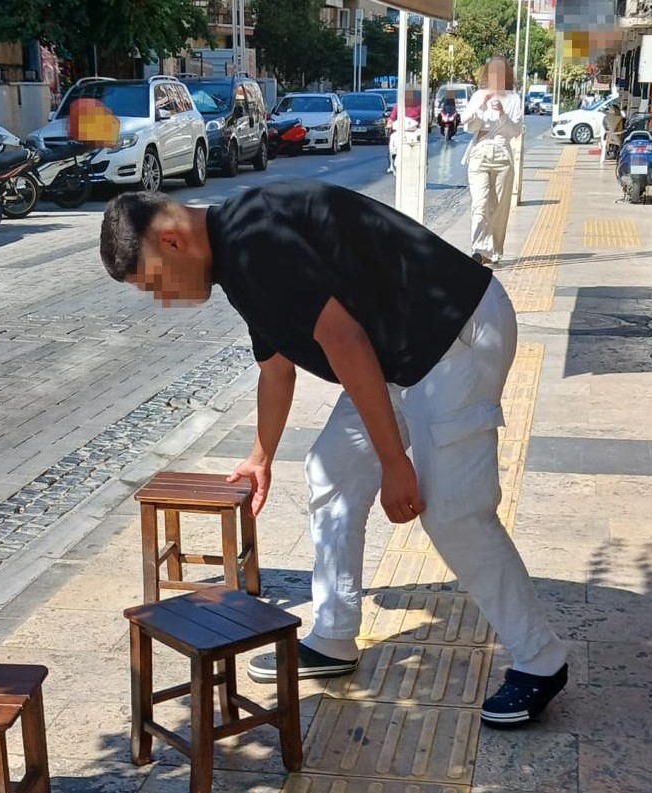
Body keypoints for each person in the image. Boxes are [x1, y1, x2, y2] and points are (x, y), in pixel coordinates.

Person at [100, 181, 572, 727]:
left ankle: (540, 659)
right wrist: (260, 456)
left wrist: (397, 464)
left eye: (155, 283)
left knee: (452, 511)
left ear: (173, 240)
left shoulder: (254, 242)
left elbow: (344, 342)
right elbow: (276, 369)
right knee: (331, 471)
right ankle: (333, 635)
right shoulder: (236, 254)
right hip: (397, 354)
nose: (164, 299)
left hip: (455, 334)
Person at [460, 57, 524, 265]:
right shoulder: (479, 95)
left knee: (498, 208)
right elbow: (467, 125)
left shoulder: (514, 98)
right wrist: (481, 107)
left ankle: (495, 250)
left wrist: (502, 114)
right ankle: (479, 249)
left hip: (503, 155)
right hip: (480, 154)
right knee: (480, 205)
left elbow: (515, 132)